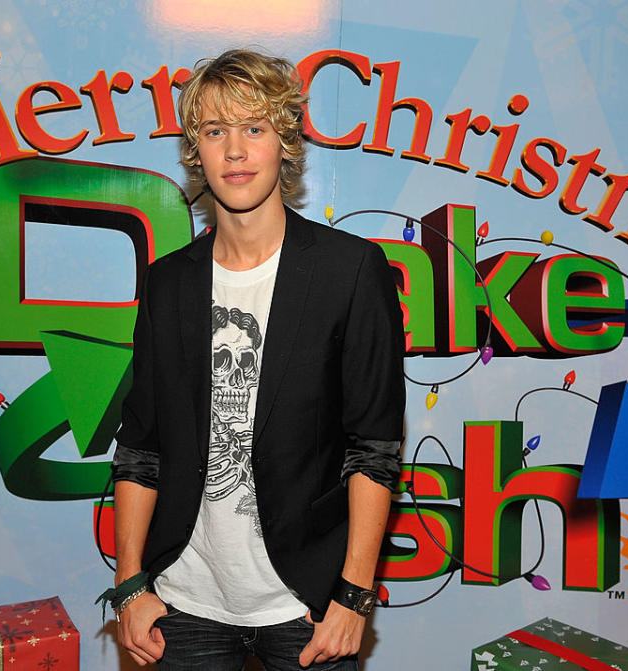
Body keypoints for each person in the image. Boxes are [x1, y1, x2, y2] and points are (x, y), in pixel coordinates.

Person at [103, 49, 405, 670]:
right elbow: (141, 447)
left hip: (308, 607)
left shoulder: (349, 271)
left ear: (285, 144)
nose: (234, 151)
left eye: (254, 128)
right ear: (196, 150)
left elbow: (372, 447)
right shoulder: (167, 284)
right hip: (182, 603)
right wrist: (131, 584)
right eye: (215, 131)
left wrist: (353, 595)